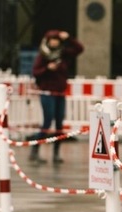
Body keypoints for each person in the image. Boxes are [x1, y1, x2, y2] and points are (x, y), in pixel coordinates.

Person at [31, 30, 84, 164]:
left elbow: (79, 49)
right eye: (52, 39)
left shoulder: (64, 53)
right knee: (47, 122)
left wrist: (69, 38)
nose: (54, 42)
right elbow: (35, 72)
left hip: (60, 92)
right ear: (47, 41)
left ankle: (56, 153)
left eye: (57, 40)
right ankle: (35, 149)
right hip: (47, 92)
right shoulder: (42, 55)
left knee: (59, 124)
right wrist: (48, 68)